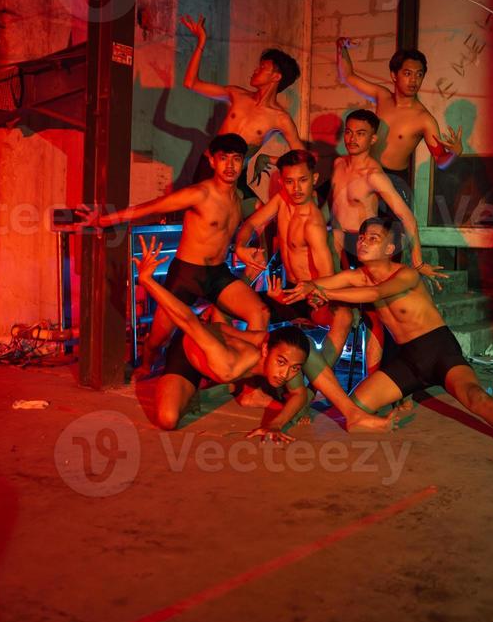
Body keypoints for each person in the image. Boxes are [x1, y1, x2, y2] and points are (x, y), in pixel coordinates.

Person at [285, 217, 493, 464]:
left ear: (390, 248)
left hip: (439, 350)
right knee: (355, 409)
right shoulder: (359, 276)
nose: (363, 242)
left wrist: (323, 292)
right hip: (408, 359)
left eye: (373, 238)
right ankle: (399, 401)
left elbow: (375, 293)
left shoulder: (406, 275)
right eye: (362, 238)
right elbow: (314, 285)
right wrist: (304, 291)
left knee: (474, 396)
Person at [134, 235, 396, 435]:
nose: (286, 374)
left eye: (293, 368)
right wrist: (148, 281)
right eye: (282, 364)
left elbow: (299, 395)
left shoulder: (283, 361)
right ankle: (206, 390)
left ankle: (351, 413)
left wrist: (276, 425)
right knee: (167, 420)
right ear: (264, 350)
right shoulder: (228, 360)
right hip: (189, 354)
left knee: (303, 351)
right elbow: (187, 319)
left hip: (232, 347)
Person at [81, 133, 269, 371]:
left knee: (259, 311)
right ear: (213, 161)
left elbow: (261, 217)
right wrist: (103, 220)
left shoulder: (240, 198)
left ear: (243, 163)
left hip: (219, 274)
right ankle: (147, 365)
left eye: (236, 159)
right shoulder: (199, 193)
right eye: (224, 158)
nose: (230, 165)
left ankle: (248, 372)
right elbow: (150, 207)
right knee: (158, 339)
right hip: (187, 275)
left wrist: (247, 247)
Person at [235, 149, 353, 367]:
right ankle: (251, 376)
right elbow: (251, 223)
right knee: (235, 299)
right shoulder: (281, 200)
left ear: (314, 179)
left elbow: (326, 279)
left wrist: (314, 302)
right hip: (287, 290)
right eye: (289, 181)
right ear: (281, 181)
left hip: (311, 296)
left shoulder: (313, 224)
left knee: (344, 317)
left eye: (303, 181)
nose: (296, 189)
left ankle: (317, 382)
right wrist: (240, 247)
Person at [180, 14, 305, 197]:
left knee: (239, 215)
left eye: (262, 67)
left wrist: (270, 159)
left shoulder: (280, 118)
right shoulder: (237, 95)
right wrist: (201, 42)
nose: (255, 70)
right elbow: (191, 83)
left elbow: (303, 157)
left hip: (234, 175)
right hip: (209, 165)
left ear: (276, 77)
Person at [336, 40, 463, 205]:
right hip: (365, 173)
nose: (414, 80)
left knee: (389, 229)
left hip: (393, 180)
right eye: (408, 73)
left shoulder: (424, 119)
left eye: (419, 74)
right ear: (394, 75)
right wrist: (341, 47)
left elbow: (441, 162)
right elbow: (347, 76)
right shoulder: (382, 96)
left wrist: (455, 153)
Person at [331, 109, 443, 281]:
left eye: (360, 134)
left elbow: (407, 217)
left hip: (363, 244)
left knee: (366, 302)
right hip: (338, 242)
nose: (352, 139)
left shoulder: (373, 175)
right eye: (348, 132)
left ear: (373, 139)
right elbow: (333, 207)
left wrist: (417, 261)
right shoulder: (338, 164)